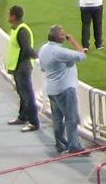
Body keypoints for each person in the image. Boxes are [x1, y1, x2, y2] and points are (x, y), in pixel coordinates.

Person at [37, 25, 87, 154]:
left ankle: (60, 144)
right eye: (62, 34)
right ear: (57, 37)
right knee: (71, 118)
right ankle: (74, 146)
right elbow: (82, 55)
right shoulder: (59, 52)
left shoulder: (44, 49)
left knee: (57, 119)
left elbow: (42, 68)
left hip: (51, 89)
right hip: (65, 89)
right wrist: (72, 41)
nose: (64, 35)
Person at [5, 5, 40, 131]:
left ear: (13, 16)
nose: (7, 16)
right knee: (22, 93)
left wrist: (38, 58)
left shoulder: (22, 30)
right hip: (17, 67)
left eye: (9, 14)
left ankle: (34, 122)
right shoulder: (16, 29)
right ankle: (23, 116)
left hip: (22, 67)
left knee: (27, 95)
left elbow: (27, 49)